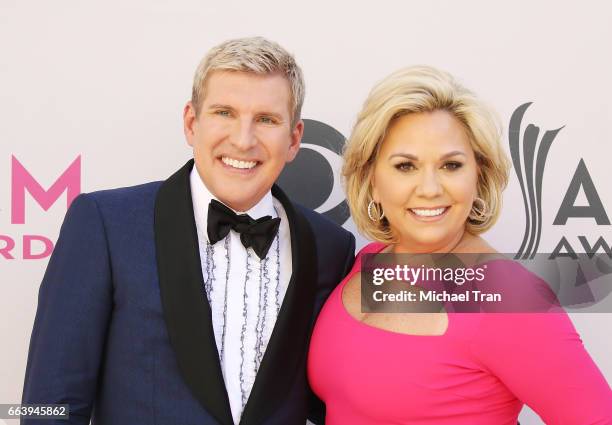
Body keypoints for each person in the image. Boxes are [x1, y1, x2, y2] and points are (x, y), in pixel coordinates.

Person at [22, 37, 355, 425]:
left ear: (294, 138)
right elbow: (48, 406)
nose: (243, 139)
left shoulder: (330, 247)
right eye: (224, 112)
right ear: (191, 123)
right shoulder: (105, 223)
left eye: (266, 119)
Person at [307, 65, 612, 424]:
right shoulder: (368, 261)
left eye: (451, 165)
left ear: (478, 175)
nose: (430, 188)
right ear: (372, 179)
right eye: (406, 166)